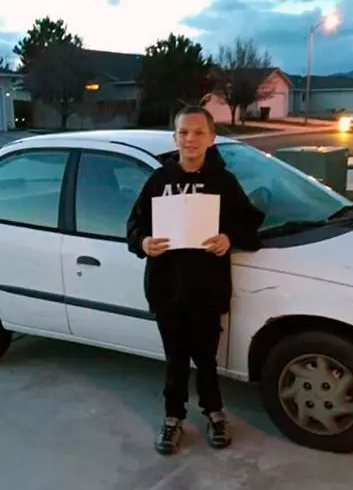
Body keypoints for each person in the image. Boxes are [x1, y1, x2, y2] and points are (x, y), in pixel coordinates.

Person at [126, 105, 265, 455]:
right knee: (175, 359)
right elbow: (133, 226)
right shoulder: (159, 181)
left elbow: (250, 224)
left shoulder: (223, 182)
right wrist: (143, 242)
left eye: (198, 132)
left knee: (205, 358)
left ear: (211, 137)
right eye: (183, 132)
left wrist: (228, 238)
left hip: (208, 288)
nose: (190, 139)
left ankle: (214, 412)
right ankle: (173, 418)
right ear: (175, 138)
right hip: (167, 288)